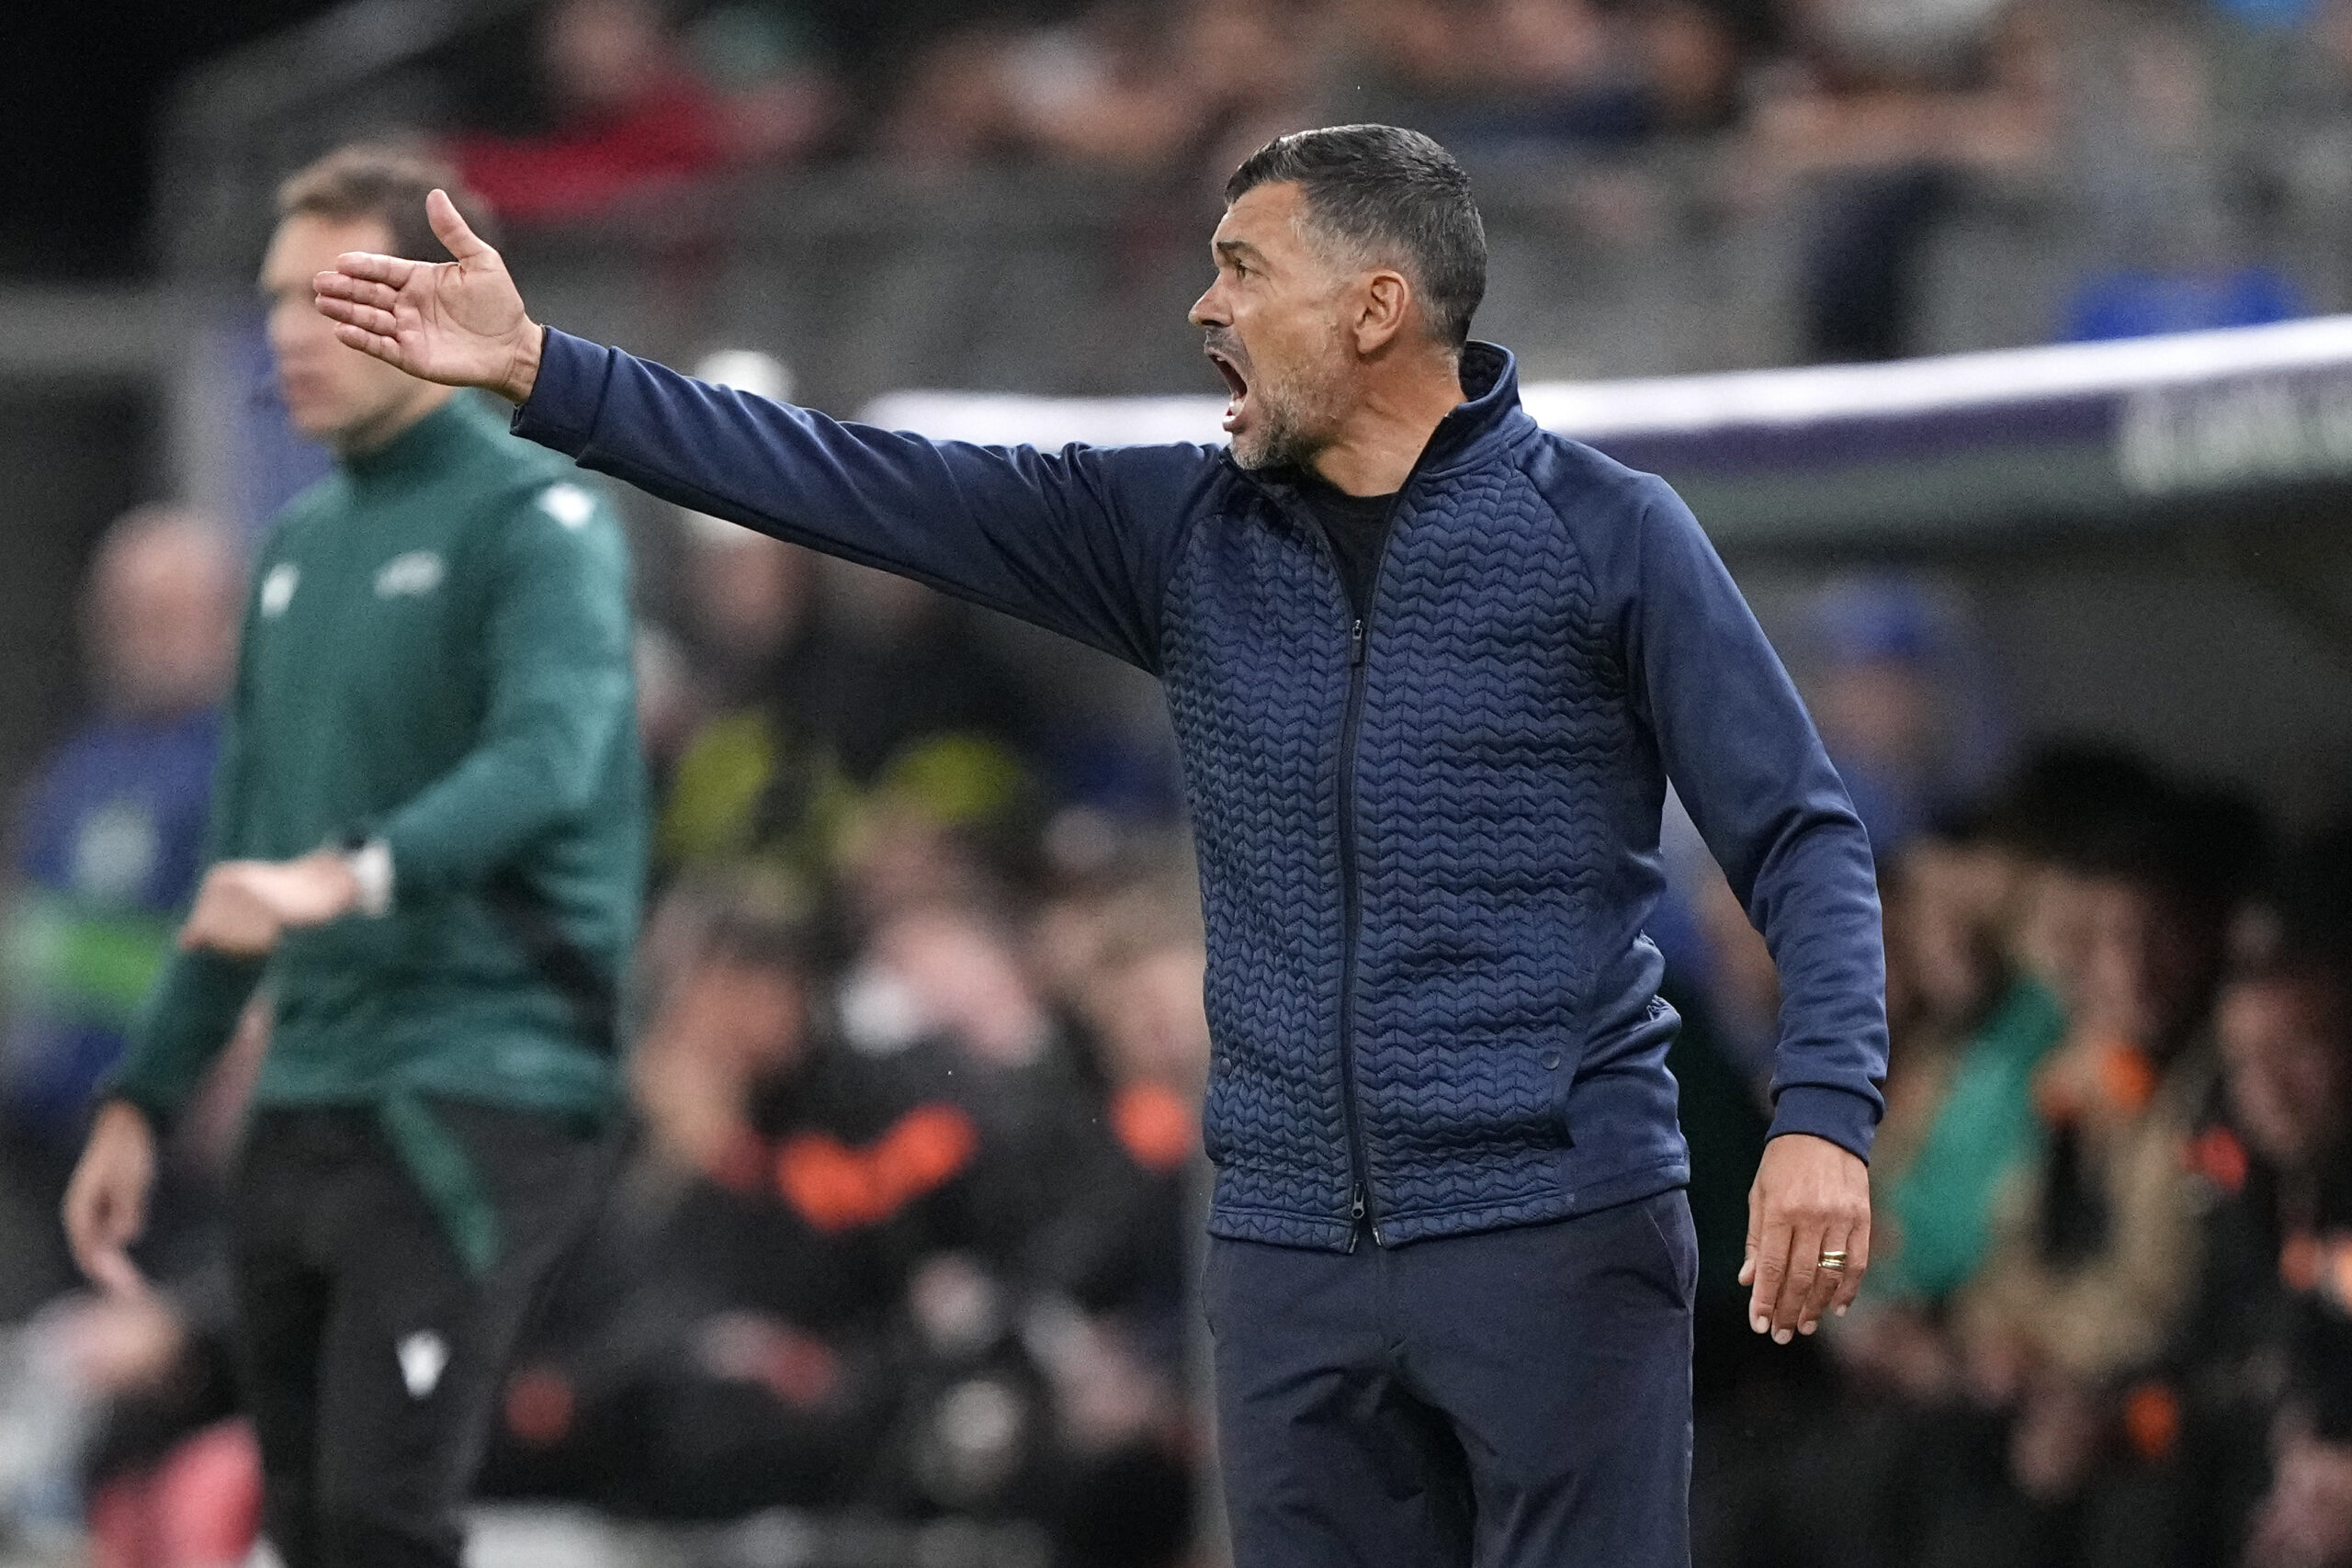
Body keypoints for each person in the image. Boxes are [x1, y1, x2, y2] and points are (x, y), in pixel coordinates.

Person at [315, 122, 1887, 1566]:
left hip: (1553, 1229)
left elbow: (1803, 839)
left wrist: (1823, 1108)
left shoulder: (1607, 537)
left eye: (1242, 268)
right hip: (1290, 1253)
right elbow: (852, 484)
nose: (1203, 309)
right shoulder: (1179, 536)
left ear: (1375, 306)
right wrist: (546, 374)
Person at [61, 145, 643, 1568]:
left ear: (438, 301)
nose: (283, 332)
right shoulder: (290, 553)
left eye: (328, 295)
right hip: (311, 1089)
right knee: (314, 1521)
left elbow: (546, 761)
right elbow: (245, 857)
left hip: (480, 1084)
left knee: (388, 1516)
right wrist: (145, 1096)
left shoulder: (541, 518)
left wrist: (353, 872)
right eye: (272, 298)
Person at [0, 508, 239, 1314]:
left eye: (166, 614)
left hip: (166, 1144)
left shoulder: (244, 759)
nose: (142, 637)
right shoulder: (84, 758)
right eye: (125, 615)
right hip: (46, 1130)